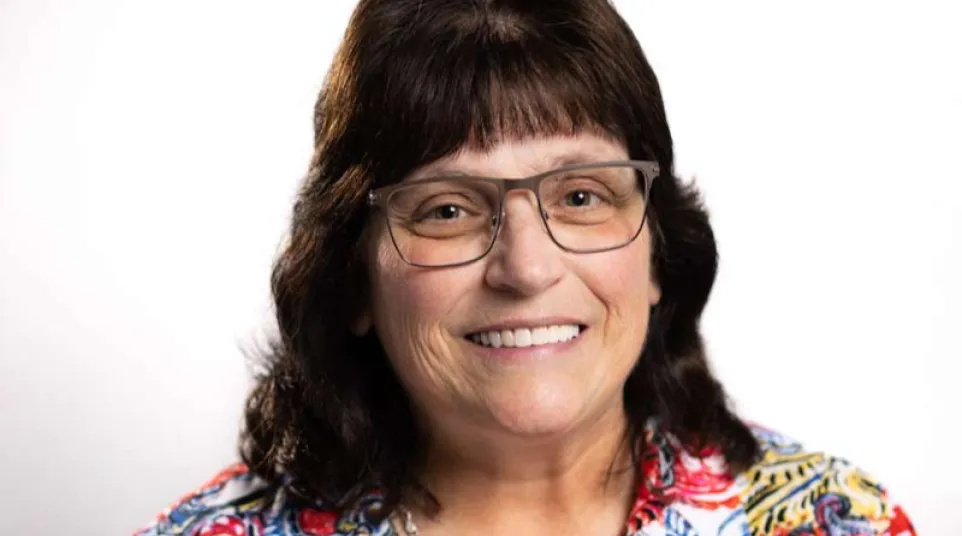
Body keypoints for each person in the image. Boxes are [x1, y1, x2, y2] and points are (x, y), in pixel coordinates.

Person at [136, 0, 916, 534]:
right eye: (447, 209)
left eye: (580, 196)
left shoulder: (835, 520)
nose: (527, 267)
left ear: (657, 253)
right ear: (353, 278)